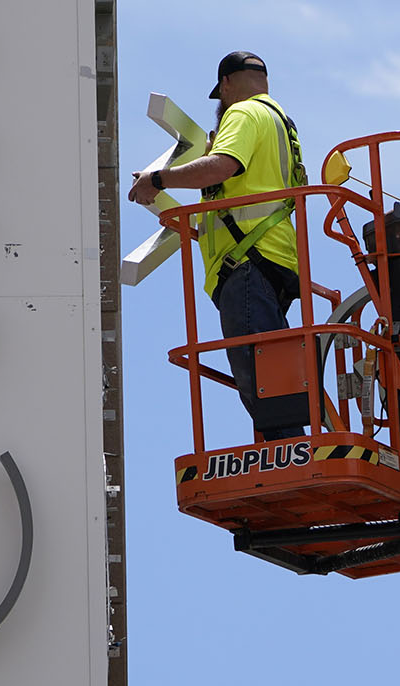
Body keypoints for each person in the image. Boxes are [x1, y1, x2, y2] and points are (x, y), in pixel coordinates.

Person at [129, 50, 308, 439]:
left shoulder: (241, 114)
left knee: (257, 375)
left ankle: (289, 452)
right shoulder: (282, 124)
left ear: (226, 84)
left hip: (247, 262)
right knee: (274, 369)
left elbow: (224, 165)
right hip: (276, 258)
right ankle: (292, 443)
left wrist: (156, 181)